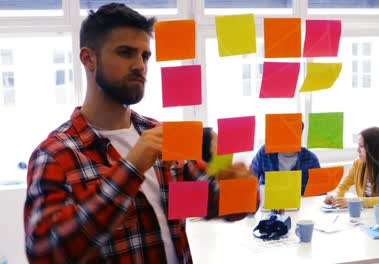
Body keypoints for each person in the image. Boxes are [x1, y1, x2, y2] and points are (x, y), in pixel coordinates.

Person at [23, 3, 254, 263]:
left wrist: (242, 187)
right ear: (88, 58)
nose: (140, 66)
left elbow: (224, 205)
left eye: (145, 56)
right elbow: (45, 253)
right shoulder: (55, 156)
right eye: (125, 52)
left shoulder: (160, 135)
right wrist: (132, 167)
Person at [323, 127, 379, 215]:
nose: (358, 150)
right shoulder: (358, 164)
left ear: (373, 149)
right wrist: (334, 198)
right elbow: (342, 187)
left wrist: (355, 201)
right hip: (369, 216)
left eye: (361, 146)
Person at [251, 124, 320, 195]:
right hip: (268, 203)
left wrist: (328, 199)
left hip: (301, 204)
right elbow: (251, 179)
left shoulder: (311, 159)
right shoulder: (265, 152)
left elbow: (319, 190)